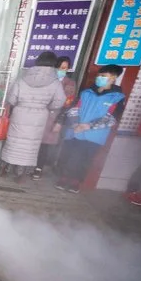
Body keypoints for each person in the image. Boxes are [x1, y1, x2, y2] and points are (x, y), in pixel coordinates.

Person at [55, 64, 125, 194]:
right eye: (99, 75)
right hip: (75, 131)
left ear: (113, 78)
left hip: (95, 135)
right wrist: (76, 124)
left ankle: (76, 181)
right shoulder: (86, 92)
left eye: (104, 76)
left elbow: (112, 118)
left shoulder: (117, 97)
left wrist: (88, 126)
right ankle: (63, 177)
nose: (100, 78)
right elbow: (74, 108)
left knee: (85, 159)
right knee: (68, 155)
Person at [0, 51, 66, 183]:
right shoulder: (55, 82)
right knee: (30, 145)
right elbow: (59, 101)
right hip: (39, 116)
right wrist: (46, 106)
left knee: (13, 141)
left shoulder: (23, 78)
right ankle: (20, 173)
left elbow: (11, 99)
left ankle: (4, 167)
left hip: (20, 113)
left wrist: (21, 104)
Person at [32, 55, 77, 180]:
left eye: (65, 68)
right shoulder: (46, 80)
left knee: (45, 144)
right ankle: (28, 165)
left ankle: (39, 167)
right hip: (39, 114)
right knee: (33, 142)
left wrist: (60, 121)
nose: (61, 70)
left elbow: (67, 105)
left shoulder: (69, 84)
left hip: (54, 117)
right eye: (59, 67)